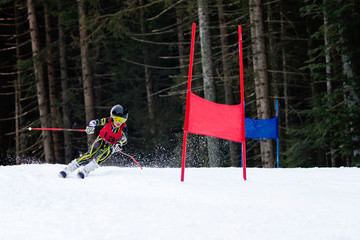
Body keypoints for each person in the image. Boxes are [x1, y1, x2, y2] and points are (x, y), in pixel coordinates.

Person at [59, 104, 128, 179]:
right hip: (101, 140)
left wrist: (119, 143)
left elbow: (125, 138)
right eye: (117, 119)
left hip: (111, 145)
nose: (119, 122)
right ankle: (68, 169)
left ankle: (86, 170)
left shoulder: (123, 127)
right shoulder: (108, 120)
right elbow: (95, 122)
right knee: (90, 154)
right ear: (112, 117)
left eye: (122, 120)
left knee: (106, 153)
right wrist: (91, 126)